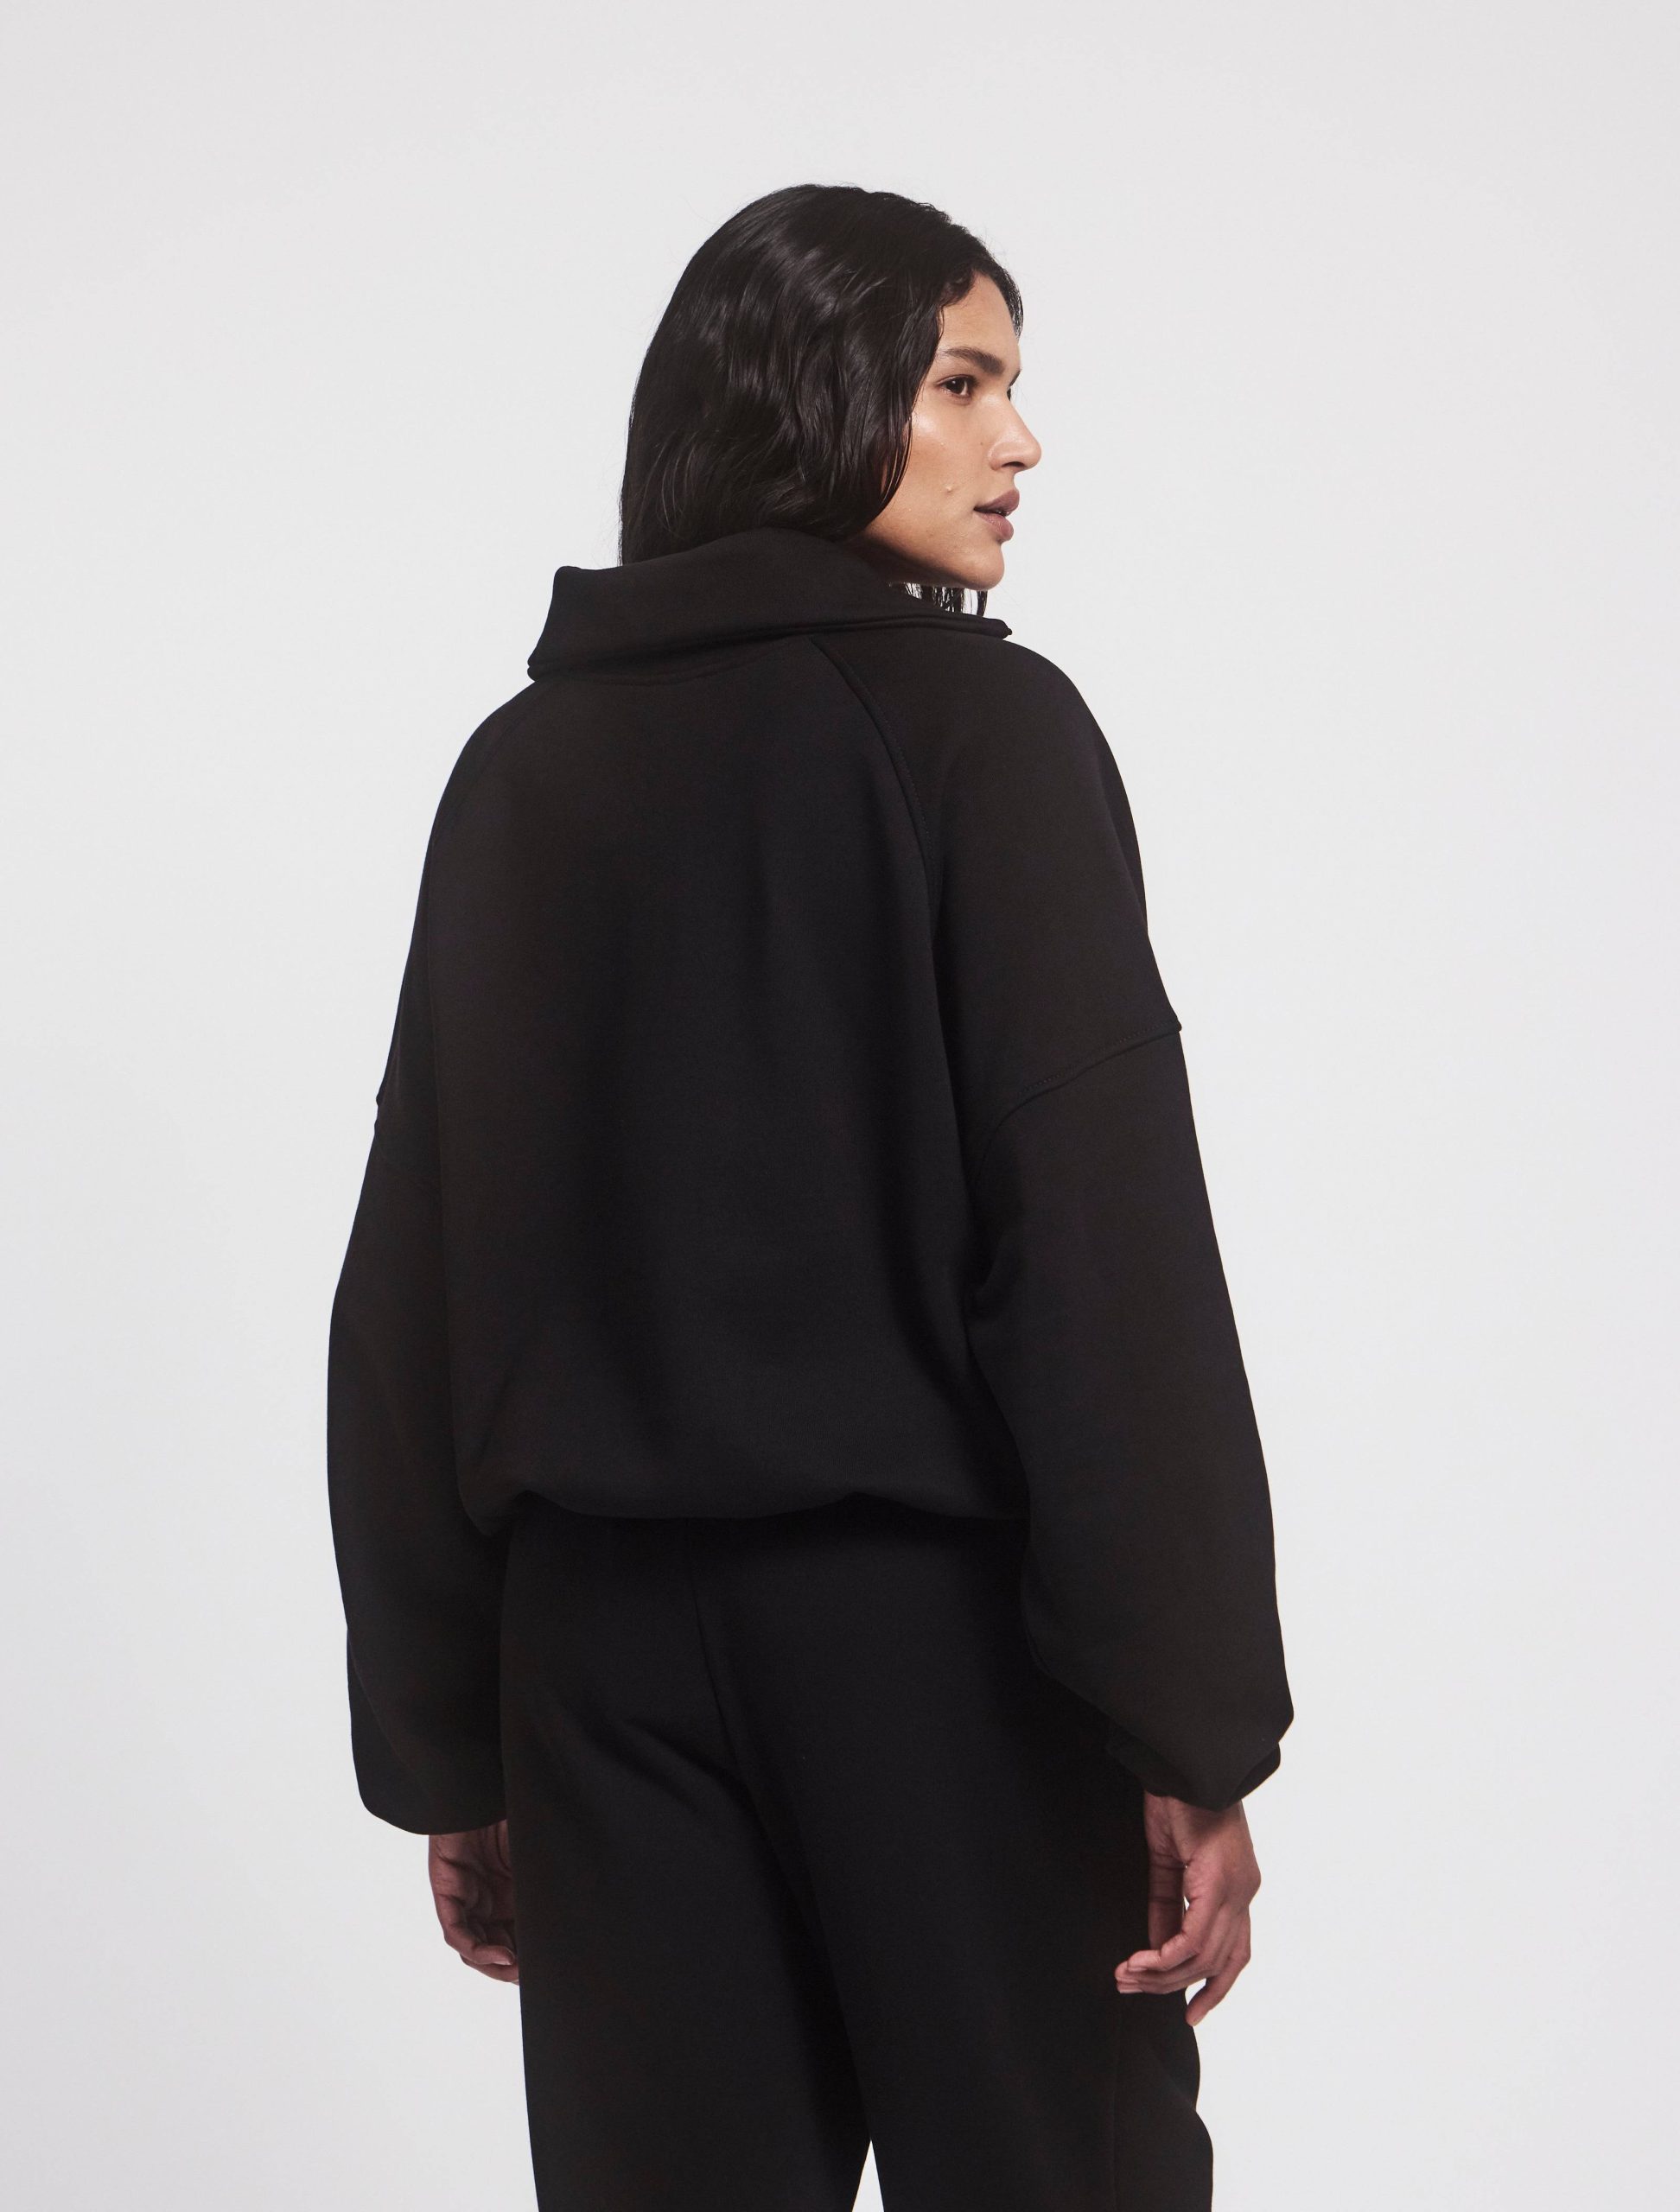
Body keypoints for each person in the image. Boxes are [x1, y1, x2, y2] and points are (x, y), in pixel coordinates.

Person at [326, 181, 1294, 2211]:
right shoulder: (986, 734)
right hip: (933, 1657)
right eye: (963, 383)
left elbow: (418, 1269)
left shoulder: (521, 770)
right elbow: (1098, 1247)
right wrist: (1190, 1721)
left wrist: (451, 1739)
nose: (1021, 440)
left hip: (595, 1667)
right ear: (807, 394)